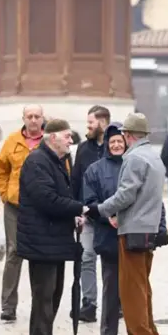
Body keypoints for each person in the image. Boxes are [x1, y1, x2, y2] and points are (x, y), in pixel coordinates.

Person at [15, 119, 85, 335]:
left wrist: (73, 214)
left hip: (53, 239)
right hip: (41, 240)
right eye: (67, 136)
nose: (70, 141)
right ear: (52, 138)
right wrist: (79, 208)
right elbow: (47, 199)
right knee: (44, 293)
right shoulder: (37, 162)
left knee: (54, 292)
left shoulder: (54, 160)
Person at [97, 114, 166, 335]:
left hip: (134, 227)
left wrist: (102, 209)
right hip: (149, 227)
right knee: (142, 284)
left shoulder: (134, 158)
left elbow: (126, 194)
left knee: (131, 288)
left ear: (127, 135)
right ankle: (149, 333)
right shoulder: (153, 157)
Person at [0, 105, 45, 322]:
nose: (33, 120)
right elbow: (0, 169)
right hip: (15, 206)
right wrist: (5, 194)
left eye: (36, 116)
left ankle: (41, 304)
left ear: (43, 119)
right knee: (14, 253)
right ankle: (7, 306)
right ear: (23, 118)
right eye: (29, 116)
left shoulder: (49, 142)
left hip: (42, 208)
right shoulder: (12, 141)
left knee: (40, 255)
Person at [82, 123, 126, 335]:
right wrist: (106, 215)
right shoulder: (95, 170)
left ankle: (140, 329)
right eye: (113, 142)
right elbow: (89, 202)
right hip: (107, 234)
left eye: (120, 141)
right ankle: (109, 332)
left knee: (136, 283)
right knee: (110, 283)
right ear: (107, 145)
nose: (117, 145)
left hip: (133, 233)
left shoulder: (133, 165)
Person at [71, 105, 110, 323]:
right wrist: (77, 209)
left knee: (111, 261)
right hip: (87, 212)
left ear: (103, 122)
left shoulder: (114, 146)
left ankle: (116, 302)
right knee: (86, 256)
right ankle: (89, 303)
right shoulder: (84, 148)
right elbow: (76, 179)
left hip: (110, 214)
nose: (88, 127)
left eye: (91, 123)